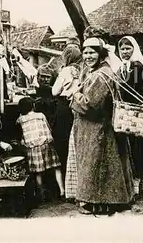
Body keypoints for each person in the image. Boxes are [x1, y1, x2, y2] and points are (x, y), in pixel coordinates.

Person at [70, 37, 135, 215]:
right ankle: (102, 201)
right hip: (97, 128)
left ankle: (97, 202)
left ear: (100, 54)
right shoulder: (97, 71)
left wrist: (75, 96)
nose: (88, 56)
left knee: (96, 165)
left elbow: (91, 105)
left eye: (92, 52)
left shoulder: (101, 75)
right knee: (102, 165)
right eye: (85, 52)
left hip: (98, 129)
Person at [116, 36, 143, 197]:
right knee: (132, 146)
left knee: (139, 145)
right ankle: (137, 183)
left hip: (137, 111)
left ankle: (141, 183)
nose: (125, 52)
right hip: (127, 111)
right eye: (122, 49)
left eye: (128, 49)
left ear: (134, 49)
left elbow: (131, 87)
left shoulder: (137, 66)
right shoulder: (122, 67)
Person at [16, 97, 65, 201]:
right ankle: (62, 191)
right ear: (33, 106)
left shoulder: (20, 119)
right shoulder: (41, 115)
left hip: (33, 148)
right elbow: (49, 128)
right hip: (46, 144)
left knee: (38, 173)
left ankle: (41, 194)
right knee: (56, 167)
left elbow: (20, 134)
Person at [51, 47, 82, 186]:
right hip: (78, 106)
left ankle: (64, 183)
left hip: (64, 107)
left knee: (62, 143)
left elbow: (54, 91)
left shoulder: (66, 70)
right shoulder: (83, 69)